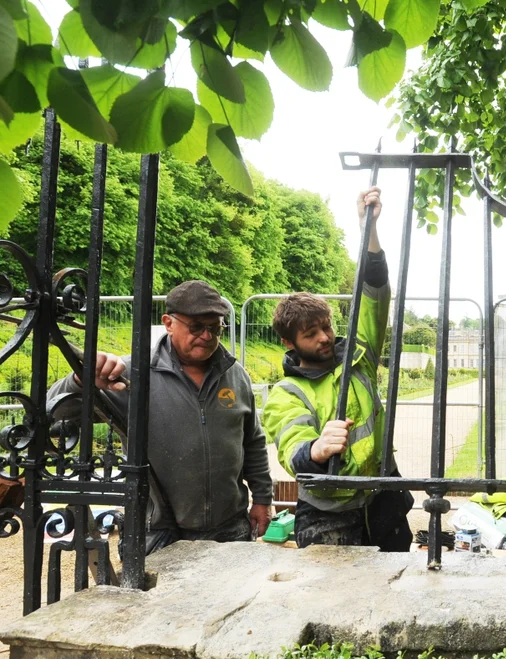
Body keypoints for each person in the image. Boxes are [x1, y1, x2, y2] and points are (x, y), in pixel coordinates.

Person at [49, 280, 272, 555]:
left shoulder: (236, 375)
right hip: (156, 531)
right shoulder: (131, 374)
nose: (207, 336)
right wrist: (80, 382)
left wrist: (262, 498)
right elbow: (55, 410)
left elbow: (253, 442)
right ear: (168, 323)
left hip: (230, 527)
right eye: (196, 327)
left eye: (215, 328)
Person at [261, 186, 413, 550]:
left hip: (383, 498)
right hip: (328, 515)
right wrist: (316, 449)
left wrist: (368, 231)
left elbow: (375, 294)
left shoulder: (359, 356)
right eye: (311, 334)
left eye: (326, 327)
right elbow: (292, 450)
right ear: (289, 343)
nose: (325, 338)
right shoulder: (286, 394)